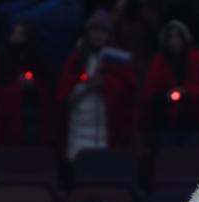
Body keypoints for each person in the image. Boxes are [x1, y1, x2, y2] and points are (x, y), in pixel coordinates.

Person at [54, 9, 137, 161]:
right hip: (79, 129)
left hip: (108, 130)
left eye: (103, 31)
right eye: (95, 31)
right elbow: (64, 94)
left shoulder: (117, 60)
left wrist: (106, 85)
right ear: (88, 33)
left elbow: (128, 93)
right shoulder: (76, 59)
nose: (98, 35)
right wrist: (87, 86)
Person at [0, 22, 55, 165]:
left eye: (21, 33)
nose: (16, 36)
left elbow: (47, 86)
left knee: (30, 147)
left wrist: (33, 86)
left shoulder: (37, 58)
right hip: (7, 114)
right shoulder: (3, 59)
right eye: (15, 32)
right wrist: (15, 87)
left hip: (31, 112)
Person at [142, 20, 199, 146]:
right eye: (170, 37)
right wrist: (166, 96)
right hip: (166, 124)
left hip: (193, 122)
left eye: (178, 36)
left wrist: (187, 91)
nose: (174, 41)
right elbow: (149, 93)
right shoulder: (158, 61)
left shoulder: (198, 58)